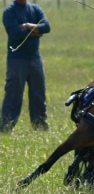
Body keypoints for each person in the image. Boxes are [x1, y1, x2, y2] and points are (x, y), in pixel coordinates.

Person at [0, 0, 51, 132]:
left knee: (38, 93)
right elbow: (16, 34)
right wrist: (37, 32)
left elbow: (46, 27)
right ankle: (6, 126)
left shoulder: (35, 9)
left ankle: (40, 125)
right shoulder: (9, 11)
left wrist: (28, 26)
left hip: (35, 58)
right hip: (17, 59)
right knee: (14, 94)